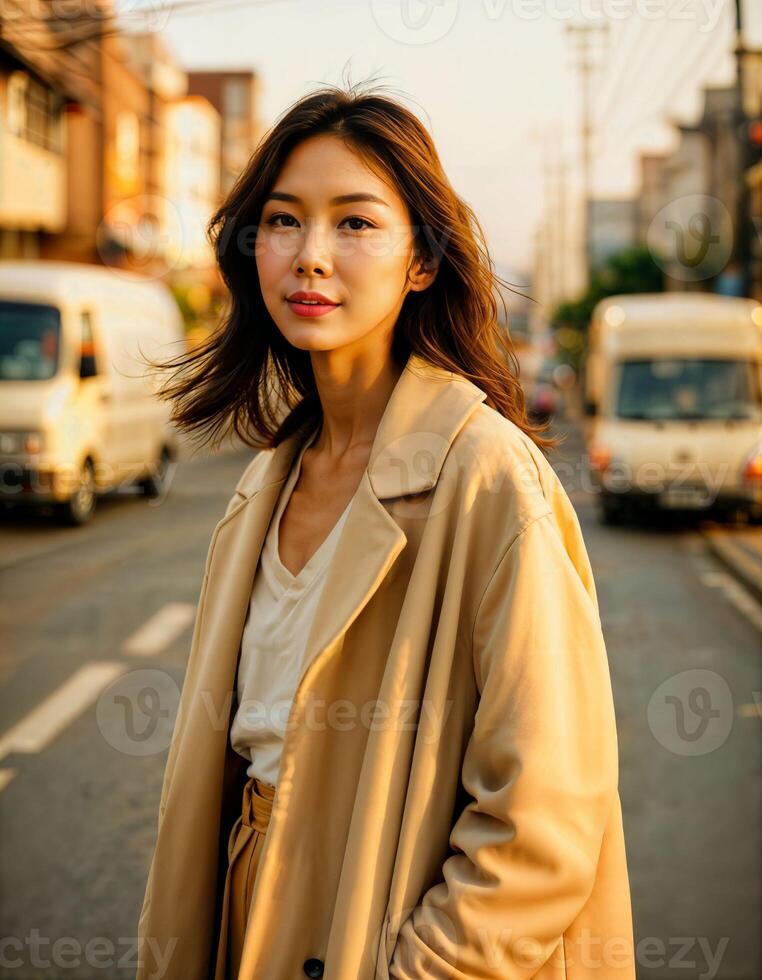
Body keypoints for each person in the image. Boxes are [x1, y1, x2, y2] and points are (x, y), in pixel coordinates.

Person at [136, 83, 636, 980]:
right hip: (247, 905)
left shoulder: (486, 476)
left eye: (355, 223)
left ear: (421, 261)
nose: (310, 257)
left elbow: (546, 817)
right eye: (283, 221)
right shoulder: (264, 484)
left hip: (388, 923)